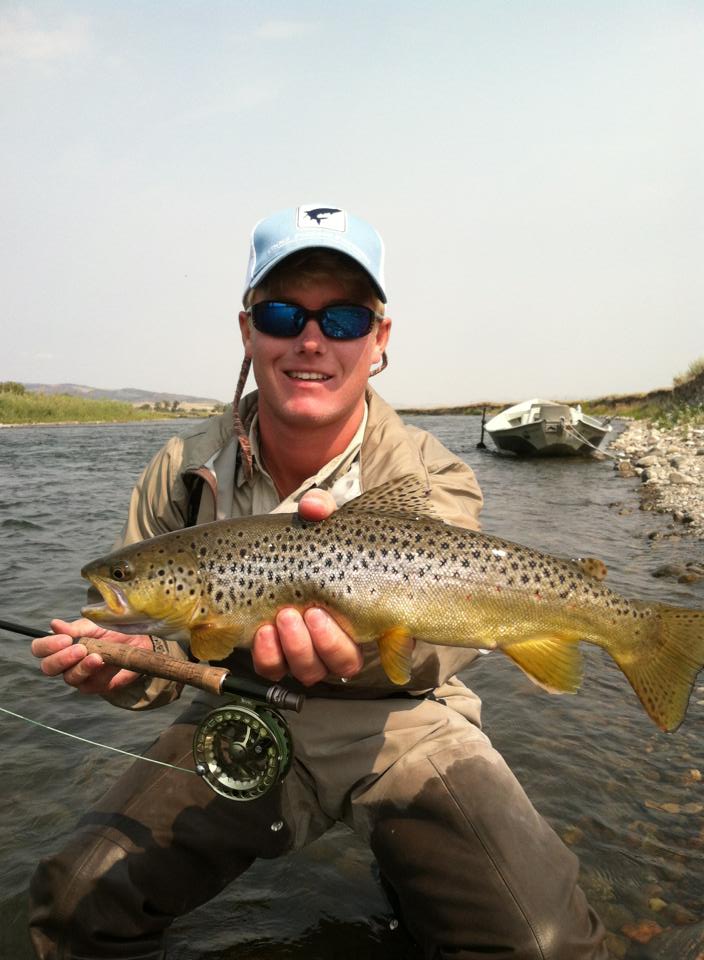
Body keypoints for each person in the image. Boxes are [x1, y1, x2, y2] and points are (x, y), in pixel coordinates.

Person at [29, 204, 607, 959]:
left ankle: (418, 878)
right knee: (76, 902)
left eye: (342, 319)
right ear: (248, 331)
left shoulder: (433, 472)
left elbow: (447, 647)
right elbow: (162, 654)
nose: (310, 339)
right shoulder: (183, 472)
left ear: (380, 340)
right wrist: (122, 670)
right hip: (241, 714)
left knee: (544, 942)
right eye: (281, 313)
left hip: (406, 719)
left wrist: (359, 649)